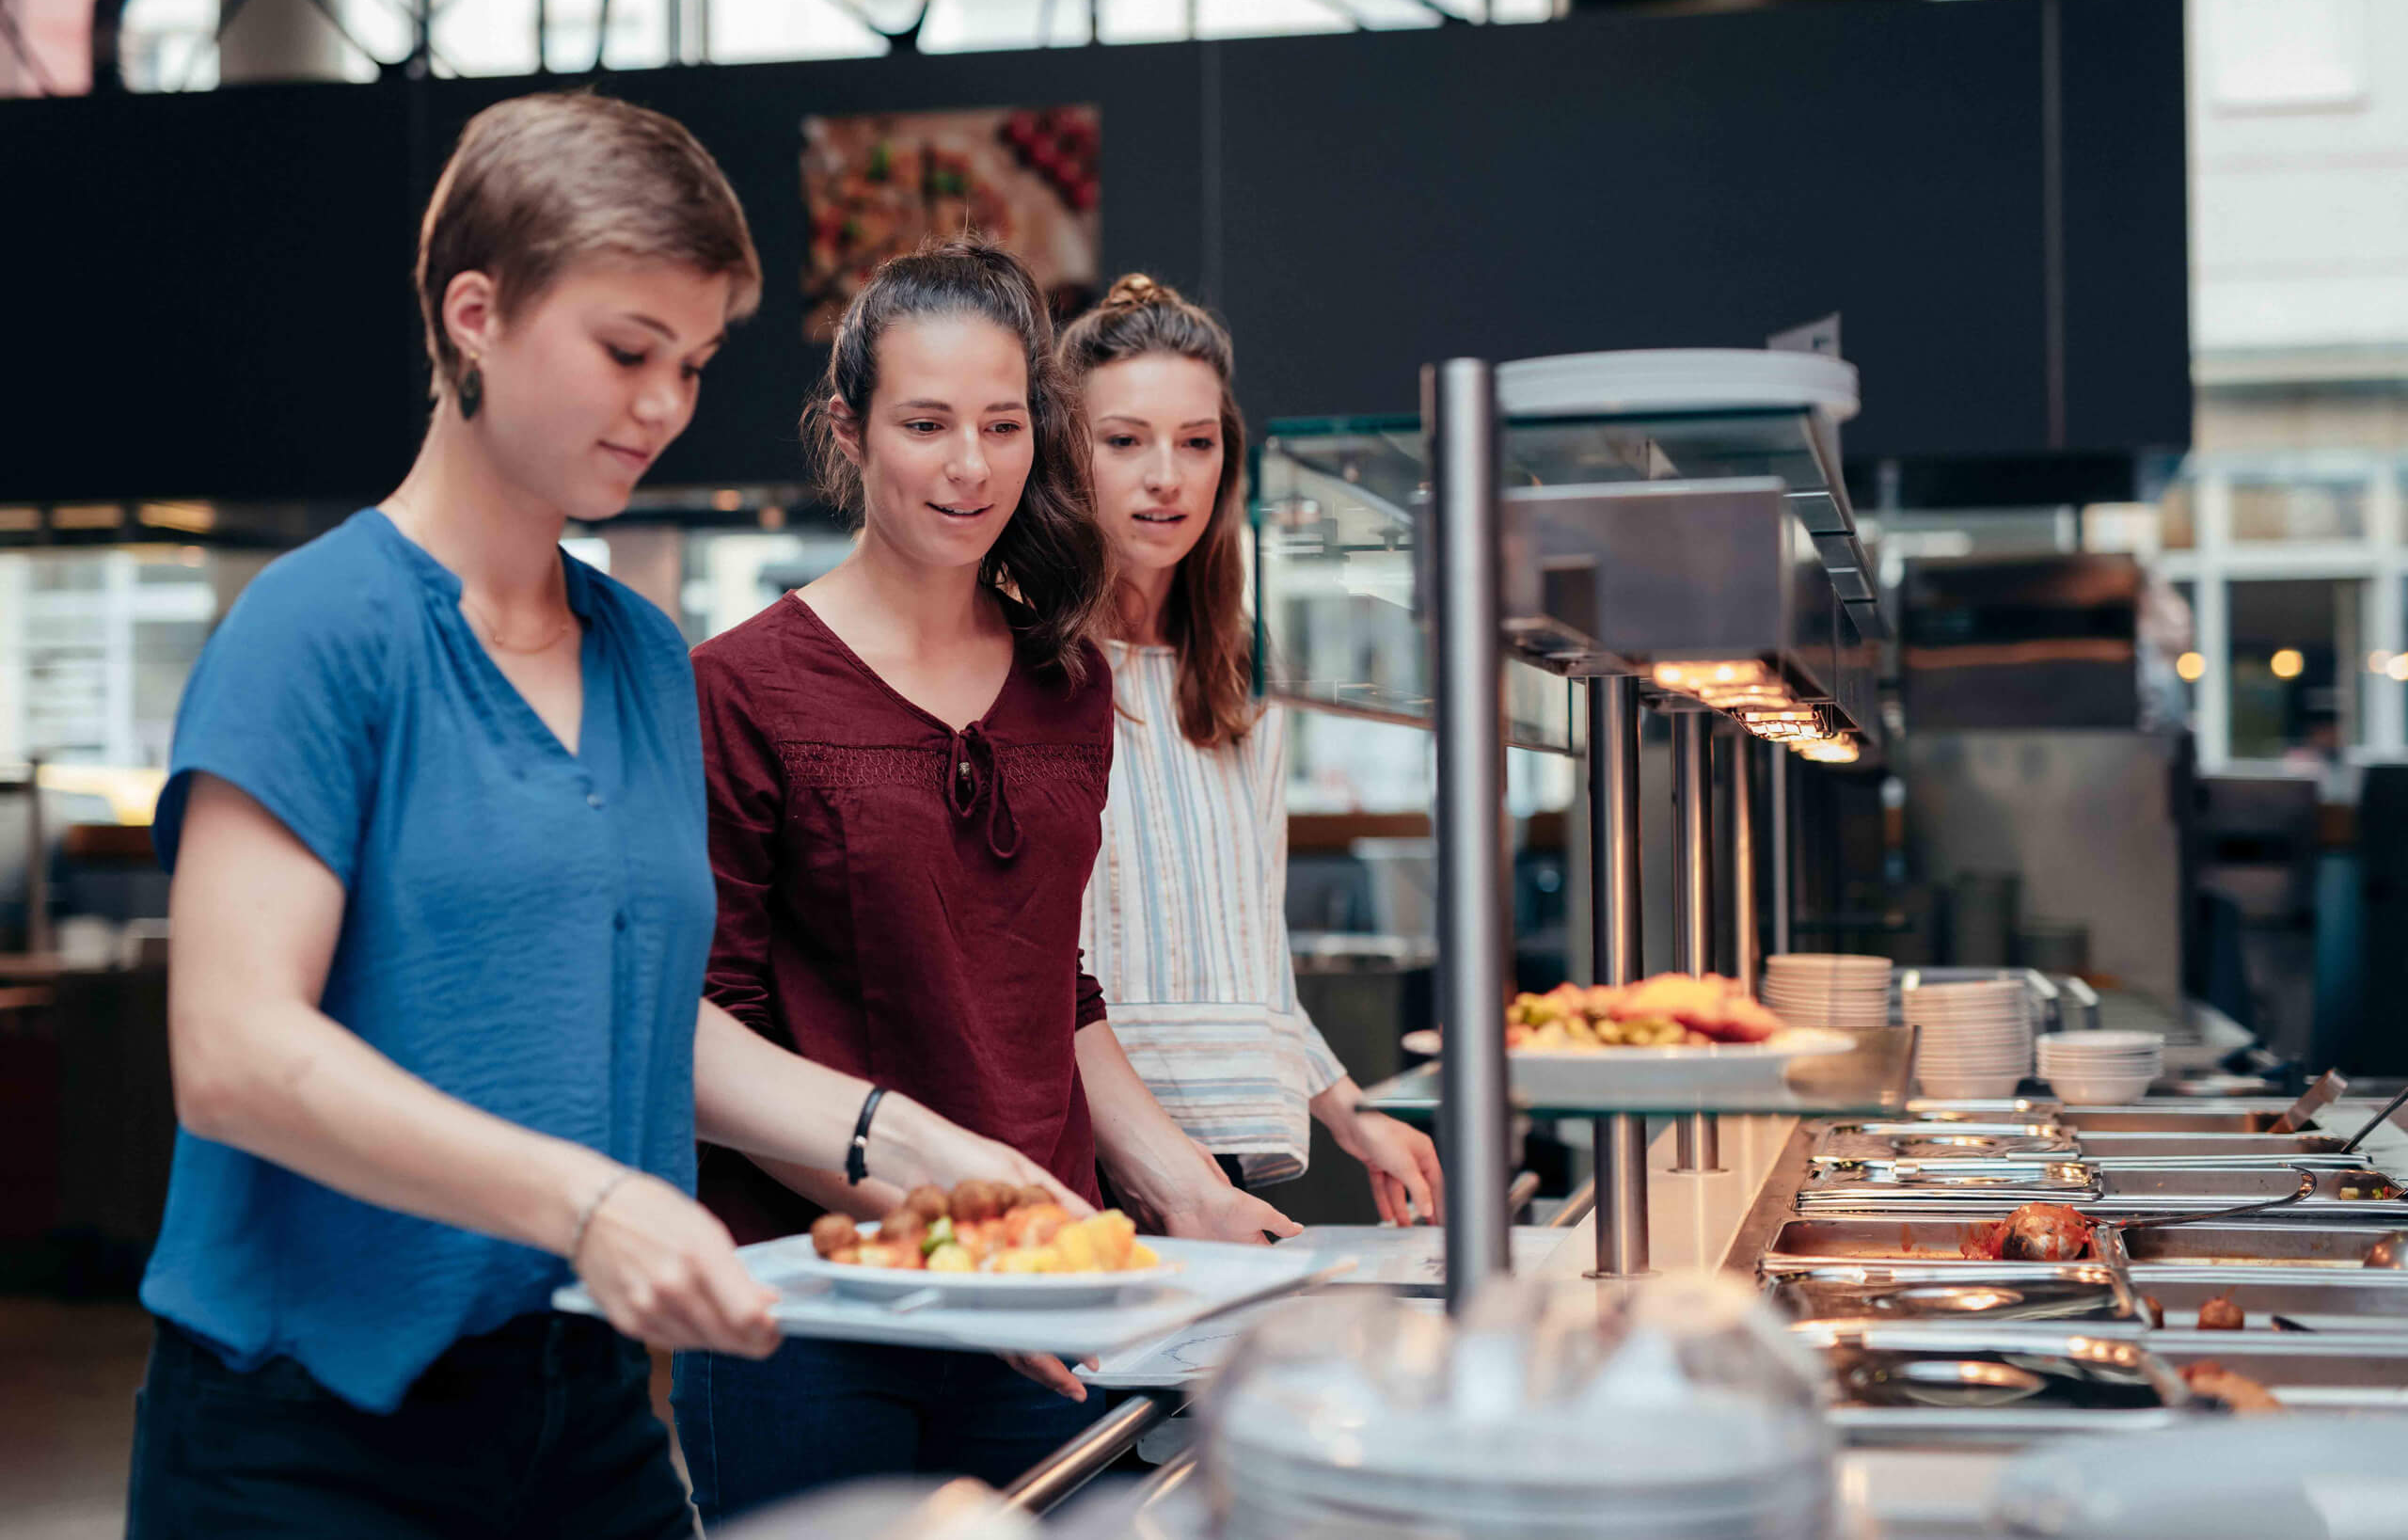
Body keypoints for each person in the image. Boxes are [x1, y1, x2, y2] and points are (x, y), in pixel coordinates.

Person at [125, 95, 1079, 1540]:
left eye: (690, 364)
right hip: (307, 1428)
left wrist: (931, 1157)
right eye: (628, 351)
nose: (664, 407)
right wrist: (584, 1202)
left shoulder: (638, 653)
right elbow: (234, 1050)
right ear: (475, 315)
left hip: (581, 1403)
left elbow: (657, 1020)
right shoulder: (316, 631)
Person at [673, 239, 1298, 1524]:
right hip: (812, 1309)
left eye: (1004, 424)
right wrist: (969, 1250)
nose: (970, 466)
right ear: (849, 431)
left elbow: (1049, 986)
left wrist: (1183, 1186)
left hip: (1037, 1307)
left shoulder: (1068, 685)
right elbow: (713, 1043)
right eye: (926, 422)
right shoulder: (739, 686)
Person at [1063, 274, 1445, 1226]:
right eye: (1124, 442)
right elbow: (1028, 967)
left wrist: (1355, 1114)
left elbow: (1248, 959)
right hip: (1074, 1157)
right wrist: (1158, 1167)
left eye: (1196, 443)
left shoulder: (1239, 679)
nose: (1167, 475)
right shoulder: (1022, 670)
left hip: (1219, 1157)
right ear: (1067, 458)